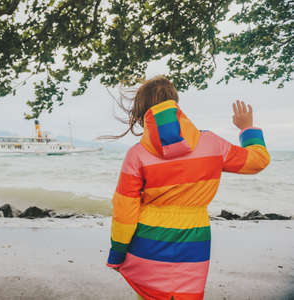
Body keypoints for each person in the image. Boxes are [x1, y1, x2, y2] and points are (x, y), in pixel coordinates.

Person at [106, 76, 270, 300]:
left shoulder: (137, 154)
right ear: (175, 102)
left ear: (142, 110)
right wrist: (247, 128)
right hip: (194, 238)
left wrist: (117, 252)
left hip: (148, 240)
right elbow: (257, 161)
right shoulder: (212, 143)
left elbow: (124, 210)